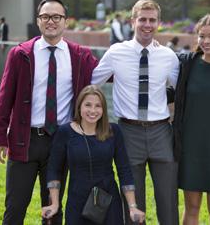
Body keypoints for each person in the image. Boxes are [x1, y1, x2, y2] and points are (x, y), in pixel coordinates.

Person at [0, 0, 98, 225]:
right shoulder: (20, 54)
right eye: (46, 16)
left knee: (53, 209)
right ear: (38, 21)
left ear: (65, 22)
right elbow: (4, 97)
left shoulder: (80, 55)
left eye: (57, 17)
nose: (51, 21)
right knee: (15, 207)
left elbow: (111, 72)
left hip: (60, 142)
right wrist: (0, 136)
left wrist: (145, 47)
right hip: (24, 141)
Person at [91, 0, 180, 225]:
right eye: (142, 19)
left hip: (162, 131)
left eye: (152, 20)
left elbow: (185, 92)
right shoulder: (115, 52)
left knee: (168, 199)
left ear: (158, 23)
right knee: (131, 201)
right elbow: (92, 84)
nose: (147, 25)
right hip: (128, 132)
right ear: (133, 22)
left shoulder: (168, 56)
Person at [41, 85, 146, 224]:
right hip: (78, 200)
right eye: (88, 105)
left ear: (103, 109)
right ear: (79, 107)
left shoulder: (113, 131)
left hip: (108, 200)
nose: (93, 110)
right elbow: (54, 169)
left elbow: (124, 170)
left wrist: (132, 207)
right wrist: (54, 203)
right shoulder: (65, 132)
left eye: (98, 106)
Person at [173, 14, 210, 225]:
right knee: (191, 207)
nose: (206, 41)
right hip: (190, 147)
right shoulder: (187, 64)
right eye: (201, 36)